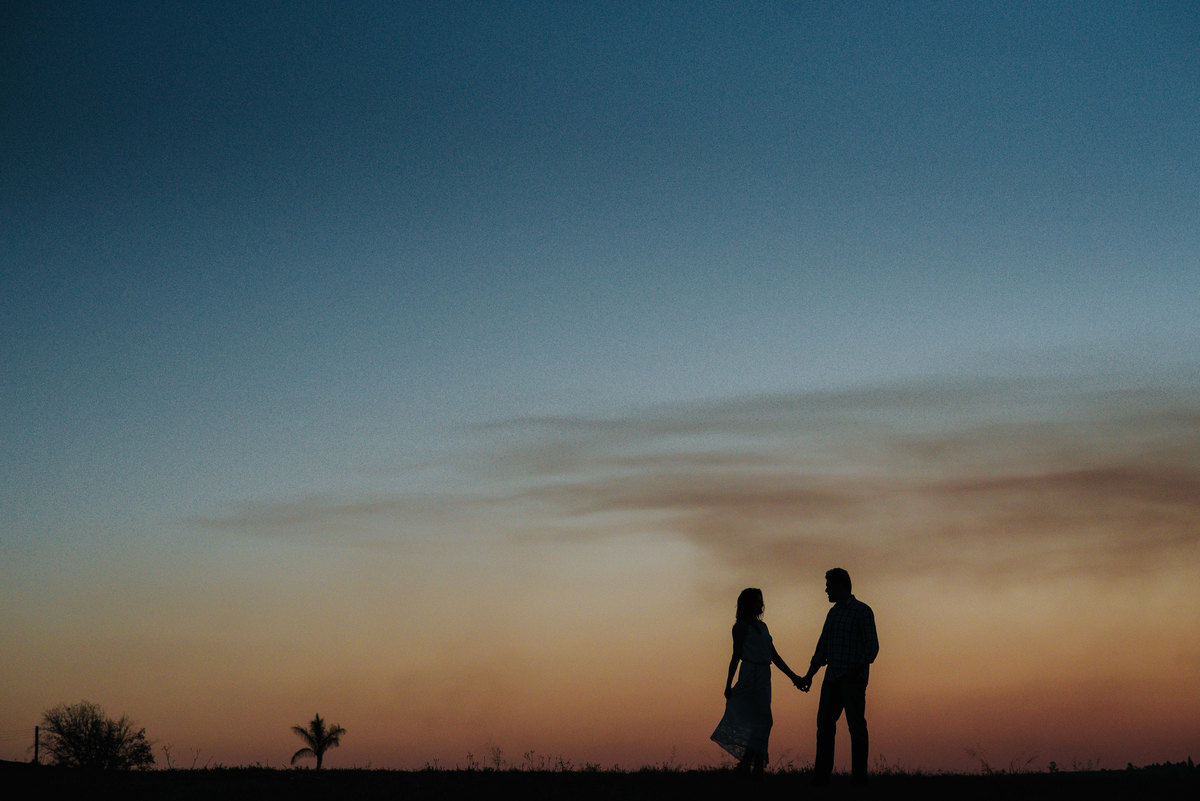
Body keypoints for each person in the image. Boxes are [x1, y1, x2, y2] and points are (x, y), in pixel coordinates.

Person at [796, 568, 879, 785]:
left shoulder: (862, 611)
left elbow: (872, 646)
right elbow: (822, 647)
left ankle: (859, 779)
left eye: (829, 586)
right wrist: (809, 675)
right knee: (824, 726)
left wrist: (856, 670)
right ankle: (821, 777)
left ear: (840, 585)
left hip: (852, 680)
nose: (826, 590)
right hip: (832, 679)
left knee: (856, 728)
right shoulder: (832, 614)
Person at [711, 587, 804, 778]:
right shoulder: (740, 627)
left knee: (760, 720)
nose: (760, 604)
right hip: (750, 673)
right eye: (756, 600)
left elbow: (774, 655)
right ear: (747, 604)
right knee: (762, 719)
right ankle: (754, 765)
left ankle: (749, 764)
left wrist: (793, 676)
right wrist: (728, 684)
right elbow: (736, 655)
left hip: (764, 674)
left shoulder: (763, 627)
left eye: (760, 600)